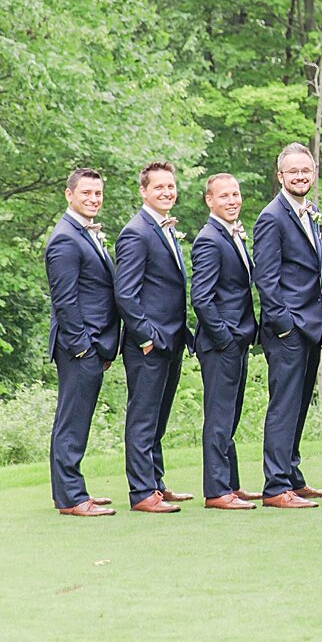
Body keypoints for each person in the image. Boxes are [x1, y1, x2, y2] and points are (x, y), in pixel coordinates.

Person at [252, 143, 322, 508]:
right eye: (293, 172)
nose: (300, 176)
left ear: (313, 173)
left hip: (310, 326)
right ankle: (275, 486)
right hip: (287, 330)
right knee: (284, 406)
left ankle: (293, 476)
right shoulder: (272, 217)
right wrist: (285, 326)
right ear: (280, 176)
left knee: (299, 405)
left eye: (306, 170)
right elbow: (266, 280)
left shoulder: (309, 211)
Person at [114, 161, 193, 513]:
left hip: (172, 339)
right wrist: (146, 336)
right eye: (159, 187)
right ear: (144, 191)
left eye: (171, 186)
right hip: (149, 342)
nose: (167, 192)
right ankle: (142, 492)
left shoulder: (164, 228)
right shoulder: (136, 231)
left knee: (159, 417)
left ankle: (156, 483)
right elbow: (126, 294)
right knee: (143, 417)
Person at [45, 169, 120, 516]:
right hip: (79, 345)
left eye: (98, 193)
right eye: (87, 193)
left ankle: (71, 491)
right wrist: (83, 347)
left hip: (94, 344)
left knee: (77, 419)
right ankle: (72, 498)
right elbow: (65, 300)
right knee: (71, 421)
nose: (93, 199)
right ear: (69, 195)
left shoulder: (86, 234)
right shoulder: (65, 238)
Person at [189, 172, 260, 509]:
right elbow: (201, 298)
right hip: (221, 344)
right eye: (225, 196)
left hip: (237, 339)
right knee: (218, 418)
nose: (233, 201)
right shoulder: (208, 239)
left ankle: (231, 484)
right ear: (210, 200)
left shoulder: (231, 235)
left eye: (236, 194)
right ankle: (217, 491)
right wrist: (226, 339)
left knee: (230, 416)